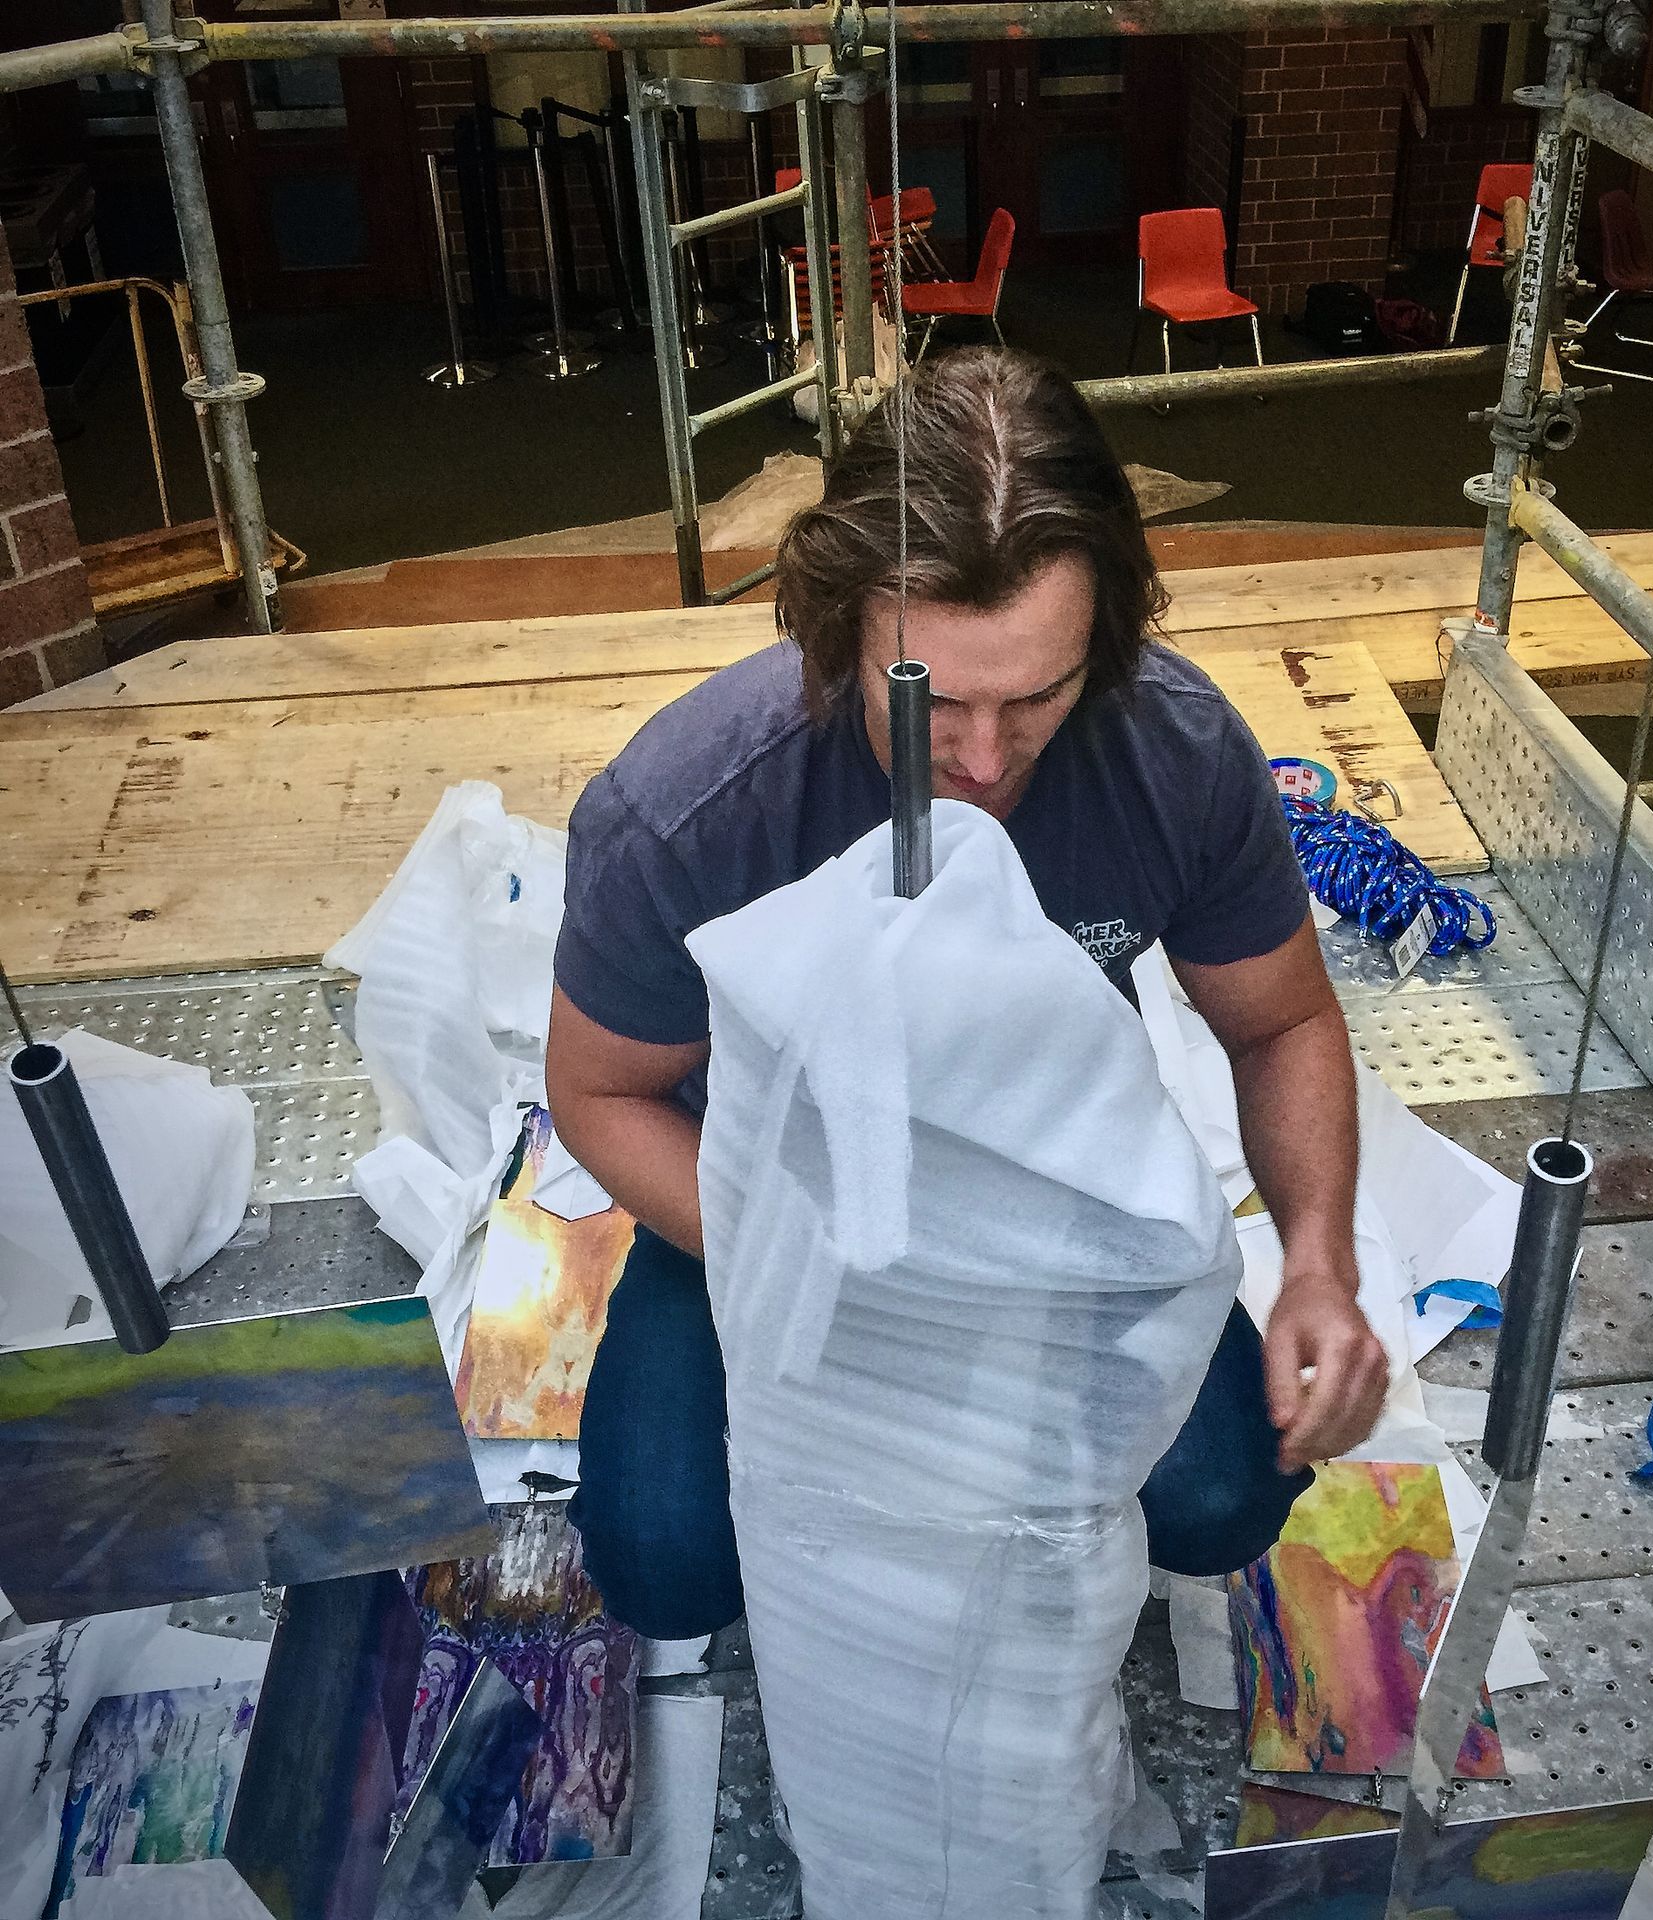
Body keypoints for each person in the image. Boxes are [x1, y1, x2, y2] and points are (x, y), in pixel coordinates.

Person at [547, 349, 1389, 1640]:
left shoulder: (1176, 754)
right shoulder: (689, 813)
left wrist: (1319, 1262)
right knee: (664, 1562)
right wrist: (797, 1253)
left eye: (1037, 695)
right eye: (932, 703)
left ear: (1104, 640)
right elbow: (598, 1092)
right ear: (842, 628)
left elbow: (1281, 1023)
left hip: (1050, 1198)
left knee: (1222, 1494)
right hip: (784, 1205)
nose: (987, 760)